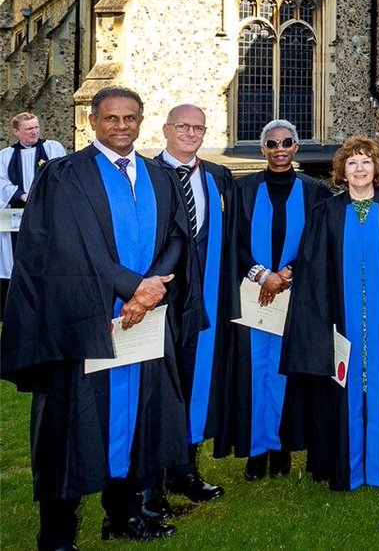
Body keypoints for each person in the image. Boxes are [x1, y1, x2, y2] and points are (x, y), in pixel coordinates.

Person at [1, 86, 197, 547]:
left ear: (141, 121)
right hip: (84, 324)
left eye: (130, 118)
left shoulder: (159, 175)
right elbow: (68, 249)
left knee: (136, 420)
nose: (121, 126)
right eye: (111, 118)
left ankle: (124, 513)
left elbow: (177, 238)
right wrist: (134, 288)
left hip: (143, 323)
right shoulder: (63, 176)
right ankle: (57, 532)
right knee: (70, 427)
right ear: (93, 121)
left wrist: (150, 290)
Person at [281, 136, 379, 491]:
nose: (359, 168)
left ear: (377, 169)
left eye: (366, 161)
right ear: (342, 171)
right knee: (344, 386)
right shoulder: (327, 212)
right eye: (352, 163)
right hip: (342, 319)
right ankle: (346, 466)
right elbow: (314, 270)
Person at [217, 120, 331, 481]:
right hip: (251, 294)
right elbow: (230, 240)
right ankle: (255, 451)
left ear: (297, 147)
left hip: (295, 298)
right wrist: (261, 274)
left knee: (286, 371)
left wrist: (286, 274)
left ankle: (281, 448)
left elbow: (319, 242)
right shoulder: (243, 189)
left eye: (287, 142)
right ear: (262, 149)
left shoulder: (316, 192)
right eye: (272, 143)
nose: (279, 148)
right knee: (253, 371)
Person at [141, 105, 235, 518]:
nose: (191, 134)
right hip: (158, 298)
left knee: (196, 382)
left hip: (204, 300)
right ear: (166, 130)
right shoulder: (145, 174)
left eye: (198, 127)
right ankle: (148, 486)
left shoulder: (218, 177)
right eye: (183, 126)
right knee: (155, 389)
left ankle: (184, 470)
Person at [0, 112, 66, 307]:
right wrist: (21, 195)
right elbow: (1, 182)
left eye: (36, 127)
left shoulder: (52, 148)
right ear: (16, 131)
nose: (34, 132)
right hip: (15, 216)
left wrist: (41, 195)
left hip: (47, 213)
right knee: (12, 257)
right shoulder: (5, 156)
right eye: (29, 129)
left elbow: (63, 174)